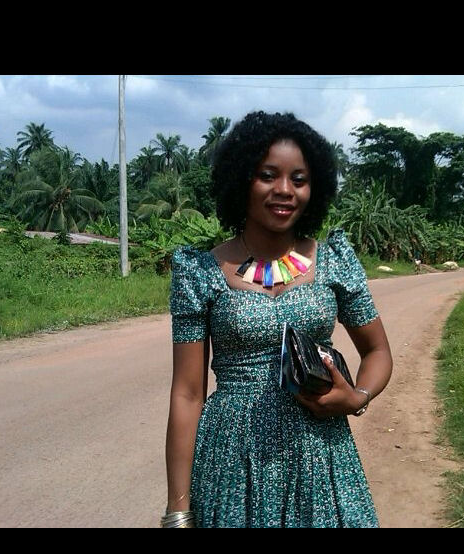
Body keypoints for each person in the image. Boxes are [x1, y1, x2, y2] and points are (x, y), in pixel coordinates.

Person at [163, 111, 393, 528]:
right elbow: (187, 394)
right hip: (233, 464)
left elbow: (377, 351)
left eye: (299, 179)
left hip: (320, 455)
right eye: (268, 175)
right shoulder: (199, 272)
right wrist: (178, 511)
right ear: (242, 180)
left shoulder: (335, 261)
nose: (284, 190)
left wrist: (357, 398)